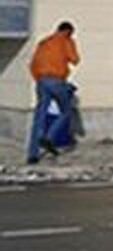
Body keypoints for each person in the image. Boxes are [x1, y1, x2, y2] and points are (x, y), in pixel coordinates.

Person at [26, 21, 80, 163]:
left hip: (41, 81)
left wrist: (40, 79)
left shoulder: (43, 43)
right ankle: (48, 138)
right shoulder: (65, 40)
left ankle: (32, 155)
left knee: (39, 118)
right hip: (56, 81)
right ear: (68, 31)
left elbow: (32, 65)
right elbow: (75, 59)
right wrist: (70, 44)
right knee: (66, 112)